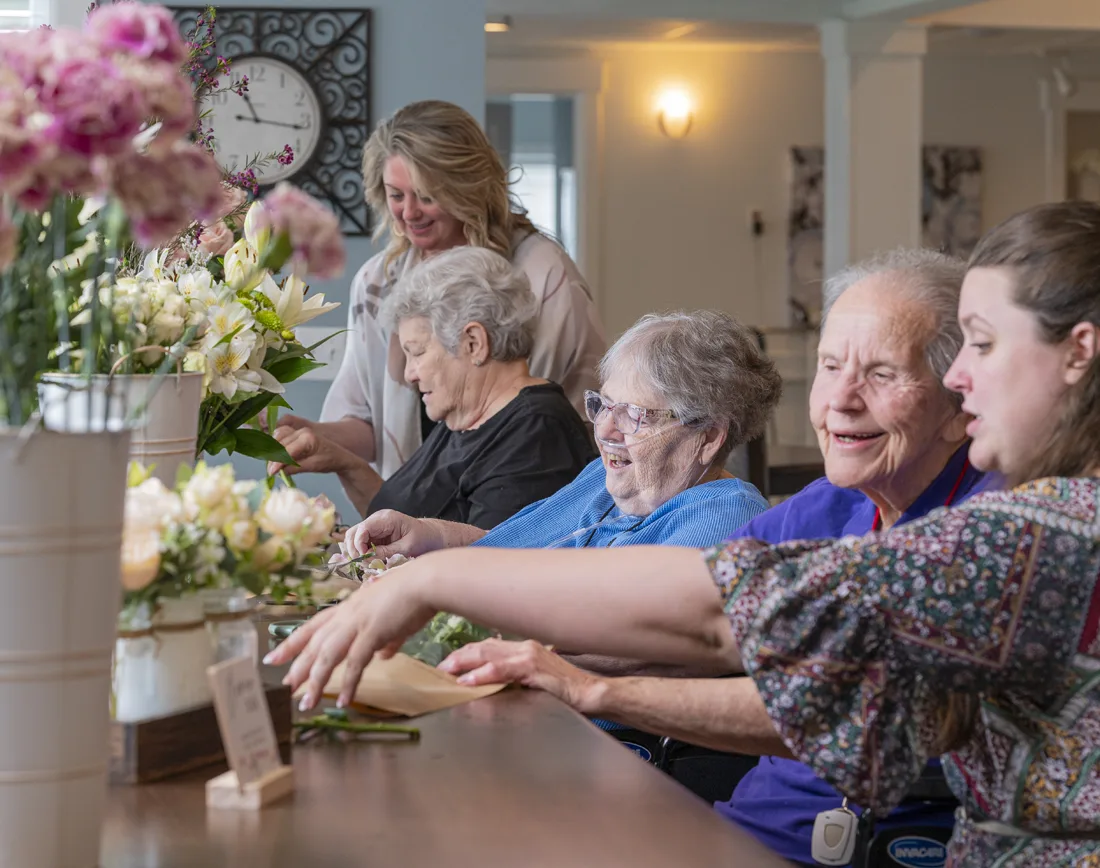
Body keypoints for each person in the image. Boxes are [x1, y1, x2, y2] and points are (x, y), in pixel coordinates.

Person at [268, 201, 1100, 866]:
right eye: (832, 366)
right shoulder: (1030, 516)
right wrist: (573, 675)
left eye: (982, 347)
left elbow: (713, 610)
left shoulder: (1033, 533)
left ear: (1078, 355)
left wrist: (433, 584)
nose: (959, 378)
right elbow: (793, 669)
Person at [439, 248, 992, 865]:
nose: (841, 399)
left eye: (883, 374)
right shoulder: (828, 505)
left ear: (960, 400)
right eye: (831, 366)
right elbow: (698, 596)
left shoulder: (986, 527)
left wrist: (590, 688)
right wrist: (433, 584)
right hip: (752, 825)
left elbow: (843, 702)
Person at [269, 100, 606, 490]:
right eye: (396, 195)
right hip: (412, 512)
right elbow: (369, 422)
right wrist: (312, 433)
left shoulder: (542, 277)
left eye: (426, 196)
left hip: (520, 500)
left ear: (467, 187)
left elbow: (548, 425)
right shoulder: (378, 283)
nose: (409, 213)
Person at [339, 310, 782, 560]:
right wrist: (428, 535)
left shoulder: (723, 517)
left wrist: (450, 594)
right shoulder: (601, 479)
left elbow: (619, 634)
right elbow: (512, 549)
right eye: (604, 405)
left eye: (635, 416)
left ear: (707, 436)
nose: (604, 429)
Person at [286, 245, 595, 526]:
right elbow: (401, 523)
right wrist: (343, 462)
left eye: (417, 352)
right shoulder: (463, 416)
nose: (409, 375)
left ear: (473, 343)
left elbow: (489, 570)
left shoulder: (536, 434)